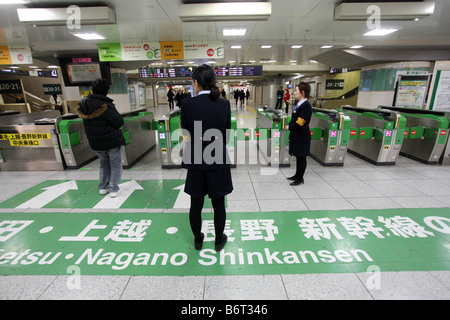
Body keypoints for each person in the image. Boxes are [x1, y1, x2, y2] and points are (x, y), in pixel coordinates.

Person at [180, 64, 233, 252]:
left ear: (196, 83)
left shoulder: (187, 105)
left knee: (196, 203)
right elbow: (226, 135)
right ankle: (219, 240)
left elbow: (185, 134)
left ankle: (198, 239)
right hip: (217, 158)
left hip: (195, 159)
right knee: (219, 204)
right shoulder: (224, 104)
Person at [76, 79, 125, 198]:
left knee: (103, 164)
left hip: (96, 142)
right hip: (111, 141)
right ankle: (113, 188)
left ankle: (103, 187)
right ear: (107, 91)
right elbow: (118, 122)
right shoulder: (105, 105)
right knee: (115, 164)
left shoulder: (84, 104)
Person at [284, 82, 312, 186]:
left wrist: (289, 127)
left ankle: (300, 178)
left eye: (296, 91)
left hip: (302, 136)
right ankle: (297, 175)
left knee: (301, 157)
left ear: (302, 92)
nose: (294, 93)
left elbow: (301, 121)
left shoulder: (306, 105)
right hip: (297, 135)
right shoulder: (299, 103)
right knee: (298, 156)